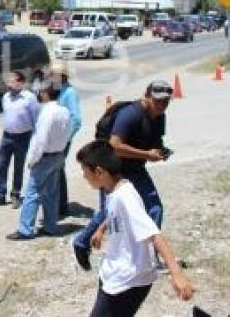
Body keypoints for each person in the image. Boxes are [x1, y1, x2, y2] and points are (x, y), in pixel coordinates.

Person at [76, 140, 193, 316]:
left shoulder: (125, 196)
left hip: (128, 280)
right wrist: (101, 228)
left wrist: (176, 273)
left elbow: (153, 234)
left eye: (85, 170)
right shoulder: (114, 189)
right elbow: (115, 213)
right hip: (117, 273)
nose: (83, 176)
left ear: (99, 171)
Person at [72, 80, 173, 271]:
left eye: (166, 101)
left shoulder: (159, 117)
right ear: (148, 96)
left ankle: (150, 256)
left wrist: (161, 151)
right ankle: (81, 242)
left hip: (136, 169)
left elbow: (155, 141)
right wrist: (146, 155)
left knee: (154, 209)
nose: (162, 105)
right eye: (158, 100)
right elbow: (115, 146)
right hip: (113, 170)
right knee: (108, 212)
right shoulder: (132, 114)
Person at [6, 81, 70, 240]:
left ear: (45, 93)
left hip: (45, 157)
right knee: (51, 193)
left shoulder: (47, 112)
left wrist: (32, 159)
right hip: (58, 154)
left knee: (32, 193)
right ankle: (50, 226)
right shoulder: (64, 111)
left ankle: (25, 229)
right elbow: (67, 133)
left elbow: (40, 140)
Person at [0, 72, 39, 208]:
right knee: (2, 165)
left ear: (21, 83)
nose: (8, 84)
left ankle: (15, 195)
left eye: (12, 81)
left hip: (23, 137)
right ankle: (0, 195)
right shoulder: (6, 97)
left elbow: (36, 119)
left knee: (18, 166)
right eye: (8, 81)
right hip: (7, 136)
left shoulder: (29, 98)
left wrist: (35, 139)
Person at [48, 63, 82, 217]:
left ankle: (60, 206)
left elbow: (76, 120)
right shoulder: (58, 90)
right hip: (56, 139)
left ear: (61, 76)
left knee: (57, 170)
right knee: (57, 170)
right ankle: (58, 204)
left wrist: (65, 139)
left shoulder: (69, 93)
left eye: (52, 74)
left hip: (62, 140)